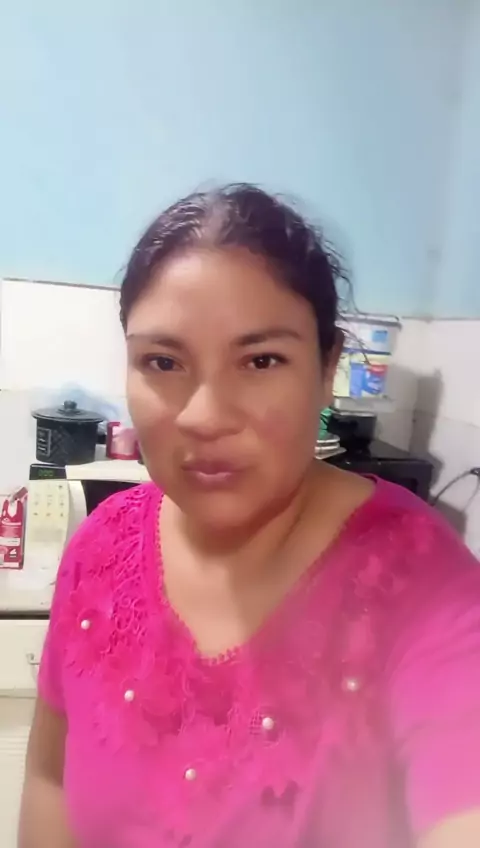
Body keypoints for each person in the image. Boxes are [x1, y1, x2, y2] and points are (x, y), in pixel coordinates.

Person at [19, 184, 480, 848]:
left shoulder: (423, 586)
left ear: (327, 366)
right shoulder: (100, 549)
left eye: (261, 360)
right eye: (163, 362)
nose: (204, 416)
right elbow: (49, 780)